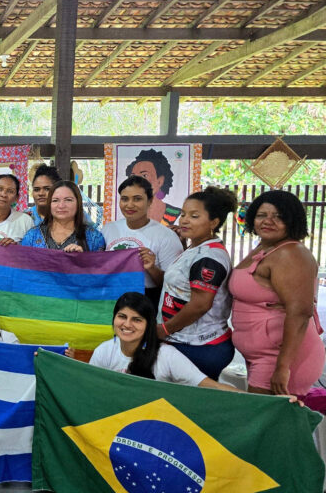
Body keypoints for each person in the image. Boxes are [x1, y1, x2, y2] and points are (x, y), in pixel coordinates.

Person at [229, 190, 325, 396]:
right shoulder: (265, 248)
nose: (268, 221)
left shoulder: (291, 254)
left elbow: (300, 312)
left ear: (292, 220)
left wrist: (283, 367)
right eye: (262, 215)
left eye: (279, 216)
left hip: (280, 357)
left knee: (266, 421)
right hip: (262, 355)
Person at [157, 186, 238, 380]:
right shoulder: (197, 248)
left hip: (199, 347)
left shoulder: (209, 256)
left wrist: (165, 329)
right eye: (183, 214)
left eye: (194, 216)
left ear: (214, 222)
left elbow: (200, 304)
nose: (184, 220)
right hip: (185, 342)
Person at [91, 292, 238, 391]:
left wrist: (255, 401)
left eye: (136, 319)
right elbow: (89, 388)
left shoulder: (166, 355)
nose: (127, 324)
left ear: (149, 324)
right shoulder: (104, 351)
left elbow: (208, 385)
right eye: (122, 316)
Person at [101, 176, 183, 305]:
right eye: (124, 199)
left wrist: (152, 268)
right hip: (110, 299)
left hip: (147, 302)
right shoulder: (108, 230)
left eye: (137, 199)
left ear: (150, 201)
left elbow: (174, 286)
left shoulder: (166, 237)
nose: (130, 205)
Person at [21, 180, 105, 252]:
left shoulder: (94, 237)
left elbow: (101, 268)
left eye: (68, 200)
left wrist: (82, 259)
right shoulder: (32, 236)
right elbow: (22, 267)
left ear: (78, 203)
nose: (61, 205)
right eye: (55, 200)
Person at [125, 148, 180, 226]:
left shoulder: (177, 215)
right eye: (133, 176)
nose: (137, 181)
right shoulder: (129, 212)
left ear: (160, 181)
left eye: (144, 175)